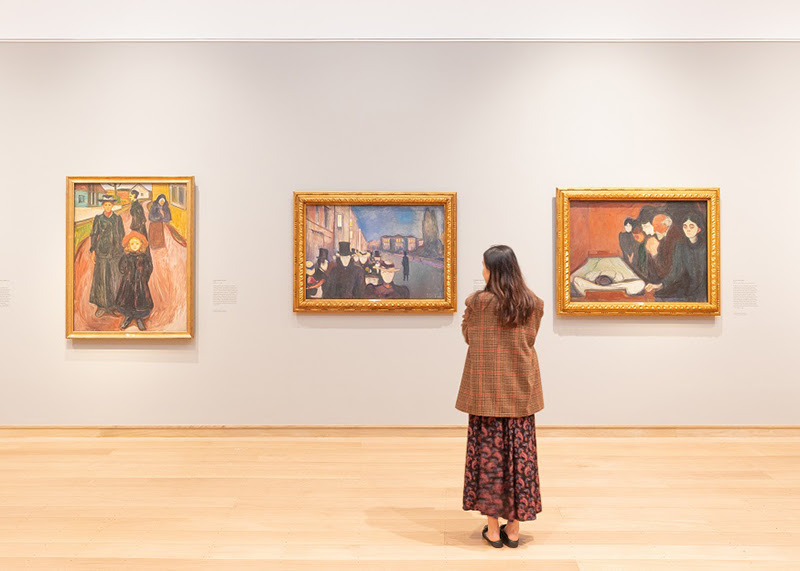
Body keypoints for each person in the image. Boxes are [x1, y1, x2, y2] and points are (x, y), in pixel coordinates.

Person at [456, 245, 544, 548]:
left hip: (484, 394)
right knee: (520, 458)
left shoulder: (477, 303)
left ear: (491, 270)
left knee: (489, 459)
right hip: (520, 391)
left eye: (483, 265)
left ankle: (493, 531)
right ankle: (514, 529)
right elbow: (530, 339)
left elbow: (469, 336)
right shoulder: (532, 304)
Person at [646, 213, 708, 302]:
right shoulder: (680, 246)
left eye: (691, 226)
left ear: (698, 229)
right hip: (687, 294)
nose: (688, 230)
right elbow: (675, 273)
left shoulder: (706, 247)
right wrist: (659, 285)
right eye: (685, 226)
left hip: (703, 295)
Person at [89, 194, 124, 317]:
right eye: (105, 205)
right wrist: (93, 250)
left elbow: (122, 235)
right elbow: (94, 234)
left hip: (116, 253)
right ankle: (102, 306)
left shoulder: (117, 218)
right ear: (102, 206)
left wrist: (123, 251)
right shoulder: (98, 219)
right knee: (102, 278)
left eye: (110, 205)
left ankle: (114, 306)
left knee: (115, 278)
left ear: (112, 206)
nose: (108, 207)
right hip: (102, 252)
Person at [115, 231, 154, 330]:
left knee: (140, 301)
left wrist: (144, 277)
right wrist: (127, 276)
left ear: (141, 245)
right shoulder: (126, 257)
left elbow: (149, 268)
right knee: (127, 300)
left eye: (137, 243)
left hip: (140, 284)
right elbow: (121, 267)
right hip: (128, 284)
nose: (135, 246)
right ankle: (128, 316)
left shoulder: (144, 257)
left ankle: (138, 318)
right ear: (128, 245)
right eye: (132, 244)